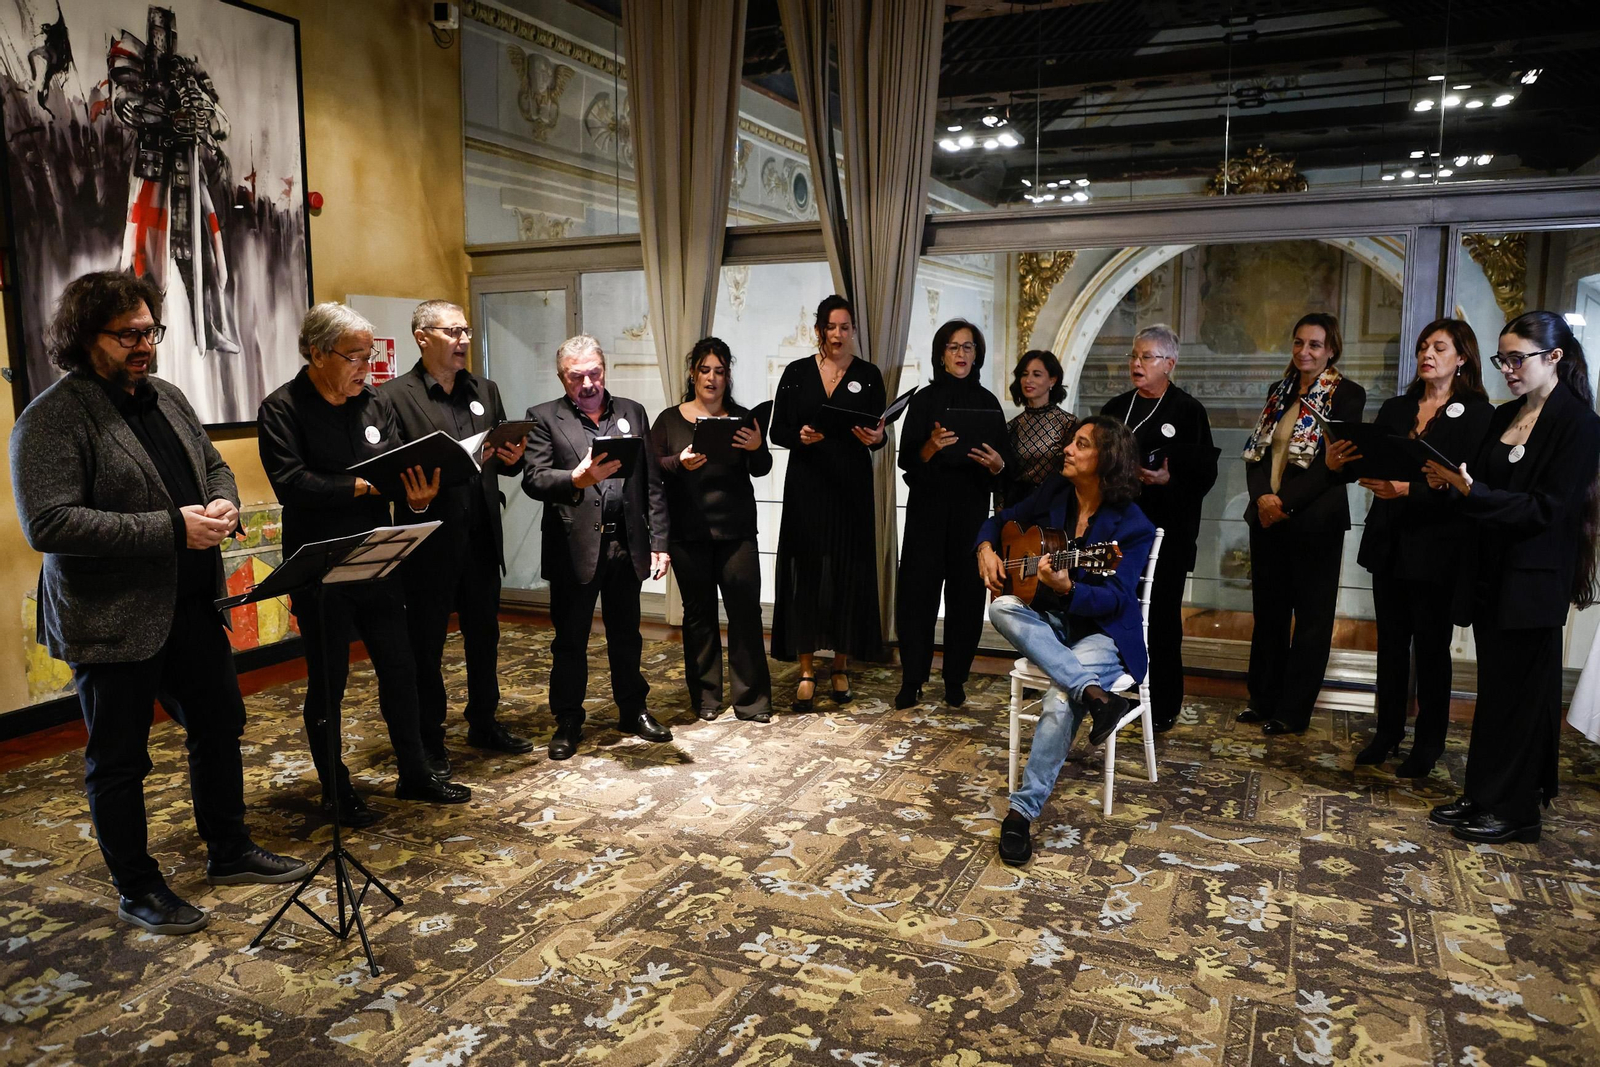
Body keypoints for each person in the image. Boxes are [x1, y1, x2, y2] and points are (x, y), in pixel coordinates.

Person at [11, 271, 307, 935]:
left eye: (150, 330)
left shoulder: (166, 397)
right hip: (110, 616)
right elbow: (50, 524)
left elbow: (214, 466)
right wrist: (173, 527)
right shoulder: (53, 417)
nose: (143, 345)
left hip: (189, 601)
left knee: (218, 723)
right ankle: (137, 887)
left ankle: (228, 849)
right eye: (127, 335)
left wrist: (224, 499)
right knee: (119, 758)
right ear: (85, 338)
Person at [259, 303, 472, 823]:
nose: (366, 367)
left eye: (369, 354)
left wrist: (417, 499)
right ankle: (336, 787)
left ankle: (415, 773)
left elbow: (401, 466)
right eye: (355, 356)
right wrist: (361, 485)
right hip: (321, 566)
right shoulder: (282, 408)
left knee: (401, 669)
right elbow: (291, 483)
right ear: (316, 353)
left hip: (379, 556)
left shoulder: (374, 403)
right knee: (328, 681)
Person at [1423, 311, 1600, 844]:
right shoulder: (1505, 413)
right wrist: (1452, 483)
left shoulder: (1580, 424)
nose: (1507, 368)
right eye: (1502, 359)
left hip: (1535, 578)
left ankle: (1519, 809)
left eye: (1517, 358)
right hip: (1492, 574)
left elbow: (1549, 509)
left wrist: (1473, 494)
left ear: (1555, 358)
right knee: (1495, 693)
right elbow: (1480, 483)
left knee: (1525, 698)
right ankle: (1483, 793)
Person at [975, 416, 1155, 866]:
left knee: (1059, 699)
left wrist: (1066, 589)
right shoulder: (1055, 491)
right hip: (1053, 625)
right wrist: (986, 549)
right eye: (1070, 443)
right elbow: (1000, 520)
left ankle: (1020, 812)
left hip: (1105, 634)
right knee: (1000, 606)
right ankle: (1094, 695)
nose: (1066, 451)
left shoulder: (1132, 526)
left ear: (1106, 460)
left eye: (1080, 445)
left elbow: (1115, 600)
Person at [1327, 319, 1492, 777]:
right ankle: (1387, 732)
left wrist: (1409, 490)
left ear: (1462, 358)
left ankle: (1429, 742)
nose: (1428, 354)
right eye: (1423, 346)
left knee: (1433, 649)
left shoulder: (1478, 413)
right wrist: (1346, 464)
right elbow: (1375, 457)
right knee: (1392, 645)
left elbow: (1471, 485)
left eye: (1440, 347)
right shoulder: (1397, 408)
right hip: (1390, 540)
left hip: (1438, 545)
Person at [378, 300, 532, 774]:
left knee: (484, 635)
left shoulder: (484, 390)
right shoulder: (393, 397)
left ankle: (484, 722)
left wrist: (513, 456)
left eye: (466, 331)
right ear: (422, 337)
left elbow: (507, 462)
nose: (464, 339)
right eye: (453, 331)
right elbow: (390, 470)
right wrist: (416, 498)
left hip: (482, 534)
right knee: (426, 645)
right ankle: (430, 739)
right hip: (429, 538)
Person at [522, 334, 672, 759]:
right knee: (570, 640)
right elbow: (533, 478)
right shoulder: (543, 417)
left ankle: (633, 709)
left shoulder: (631, 412)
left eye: (594, 374)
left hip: (625, 545)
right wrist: (575, 479)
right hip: (574, 547)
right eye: (576, 377)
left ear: (604, 370)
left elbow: (650, 484)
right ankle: (568, 719)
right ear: (561, 378)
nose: (587, 384)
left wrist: (659, 541)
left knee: (627, 635)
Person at [1238, 313, 1367, 736]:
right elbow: (1254, 454)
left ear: (1331, 349)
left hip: (1314, 522)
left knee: (1311, 621)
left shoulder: (1347, 394)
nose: (1304, 352)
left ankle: (1292, 711)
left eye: (1314, 345)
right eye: (1298, 343)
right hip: (1267, 519)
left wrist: (1283, 504)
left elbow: (1337, 465)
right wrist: (1262, 498)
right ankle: (1262, 700)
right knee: (1269, 615)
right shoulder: (1279, 391)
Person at [770, 295, 887, 710]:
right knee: (805, 574)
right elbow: (777, 431)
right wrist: (798, 436)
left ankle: (839, 666)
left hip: (851, 487)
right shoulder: (797, 373)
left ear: (853, 331)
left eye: (845, 327)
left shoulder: (869, 375)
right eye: (831, 327)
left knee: (846, 574)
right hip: (807, 486)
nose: (838, 335)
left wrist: (878, 438)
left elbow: (880, 430)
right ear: (818, 330)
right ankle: (805, 669)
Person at [1099, 324, 1218, 732]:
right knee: (1115, 611)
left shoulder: (1188, 411)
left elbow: (1205, 473)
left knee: (1162, 618)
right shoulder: (1116, 407)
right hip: (1116, 532)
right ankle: (1112, 696)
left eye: (1147, 357)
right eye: (1134, 356)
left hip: (1166, 531)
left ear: (1169, 363)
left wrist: (1170, 481)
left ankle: (1164, 703)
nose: (1136, 363)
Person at [651, 337, 774, 723]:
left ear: (728, 376)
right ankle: (706, 698)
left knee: (744, 615)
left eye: (720, 371)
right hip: (688, 533)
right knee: (699, 616)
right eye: (705, 370)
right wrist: (678, 462)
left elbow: (762, 468)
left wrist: (756, 446)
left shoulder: (742, 417)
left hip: (736, 532)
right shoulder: (669, 420)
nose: (712, 378)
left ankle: (752, 700)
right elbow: (652, 470)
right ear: (692, 373)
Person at [895, 319, 1007, 709]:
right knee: (916, 599)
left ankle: (955, 679)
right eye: (954, 347)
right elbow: (906, 460)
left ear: (978, 355)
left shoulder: (989, 402)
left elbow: (1003, 468)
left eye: (969, 347)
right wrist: (930, 446)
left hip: (971, 515)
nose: (961, 354)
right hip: (927, 514)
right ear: (941, 354)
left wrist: (996, 465)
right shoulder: (924, 400)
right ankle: (912, 681)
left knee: (966, 600)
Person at [1003, 349, 1074, 508]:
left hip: (1054, 506)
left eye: (1036, 374)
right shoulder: (1011, 427)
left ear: (1052, 380)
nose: (1028, 380)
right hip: (1016, 507)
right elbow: (1005, 479)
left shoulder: (1068, 424)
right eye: (1024, 374)